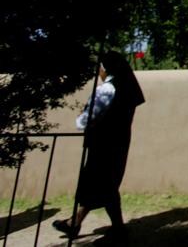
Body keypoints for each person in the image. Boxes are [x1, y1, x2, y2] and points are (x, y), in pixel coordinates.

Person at [53, 51, 145, 243]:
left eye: (101, 68)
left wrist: (80, 117)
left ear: (107, 68)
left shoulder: (107, 89)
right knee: (104, 184)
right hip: (118, 142)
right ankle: (75, 223)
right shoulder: (126, 88)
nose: (100, 72)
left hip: (103, 144)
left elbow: (86, 121)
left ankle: (117, 231)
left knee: (103, 185)